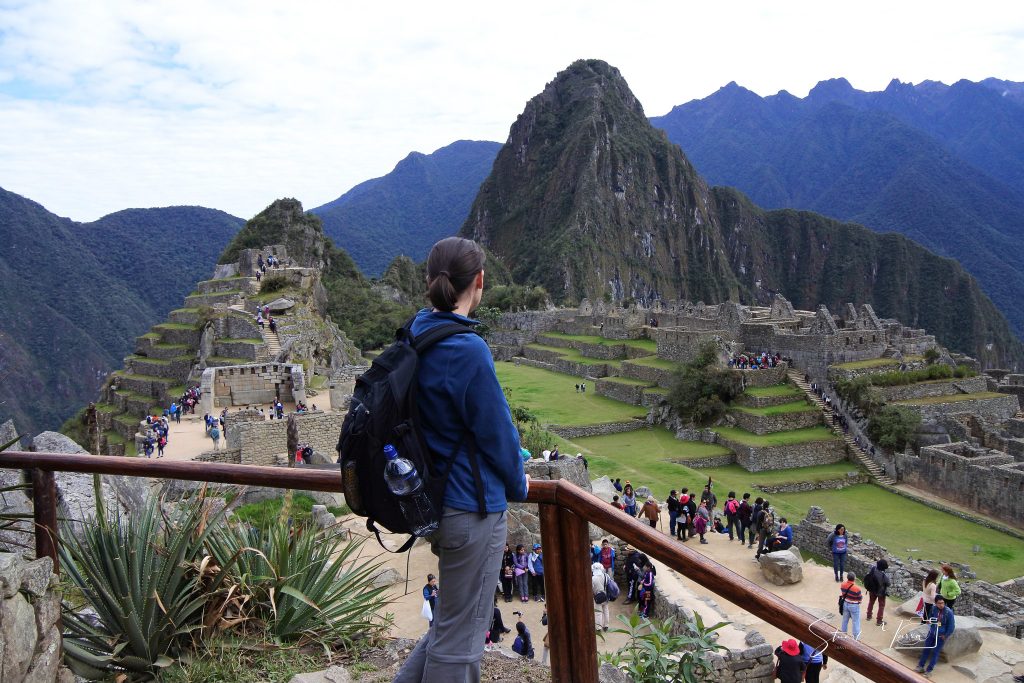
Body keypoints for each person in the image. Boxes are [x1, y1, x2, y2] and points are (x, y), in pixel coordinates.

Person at [393, 237, 529, 683]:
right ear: (480, 282)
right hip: (471, 506)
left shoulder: (417, 330)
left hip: (431, 499)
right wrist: (520, 485)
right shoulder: (466, 350)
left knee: (451, 624)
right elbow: (499, 435)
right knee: (463, 639)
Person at [916, 595, 956, 676]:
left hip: (940, 636)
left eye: (943, 603)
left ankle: (929, 671)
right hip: (931, 633)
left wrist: (946, 635)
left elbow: (951, 626)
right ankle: (920, 666)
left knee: (935, 652)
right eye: (939, 603)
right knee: (926, 649)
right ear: (935, 603)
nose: (941, 605)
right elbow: (931, 617)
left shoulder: (949, 612)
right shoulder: (934, 608)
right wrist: (929, 621)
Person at [864, 559, 891, 626]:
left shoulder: (873, 569)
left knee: (871, 602)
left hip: (872, 589)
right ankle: (879, 621)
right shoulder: (883, 575)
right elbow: (888, 584)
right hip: (881, 592)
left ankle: (869, 616)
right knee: (881, 606)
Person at [840, 572, 863, 640]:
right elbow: (860, 599)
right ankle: (856, 638)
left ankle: (843, 635)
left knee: (845, 620)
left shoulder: (842, 585)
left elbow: (843, 594)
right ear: (854, 578)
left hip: (845, 604)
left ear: (847, 577)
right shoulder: (857, 589)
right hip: (854, 606)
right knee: (855, 622)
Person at [592, 562, 610, 631]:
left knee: (598, 613)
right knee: (606, 610)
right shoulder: (606, 576)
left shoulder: (593, 578)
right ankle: (606, 626)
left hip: (597, 597)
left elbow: (592, 589)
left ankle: (598, 627)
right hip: (605, 596)